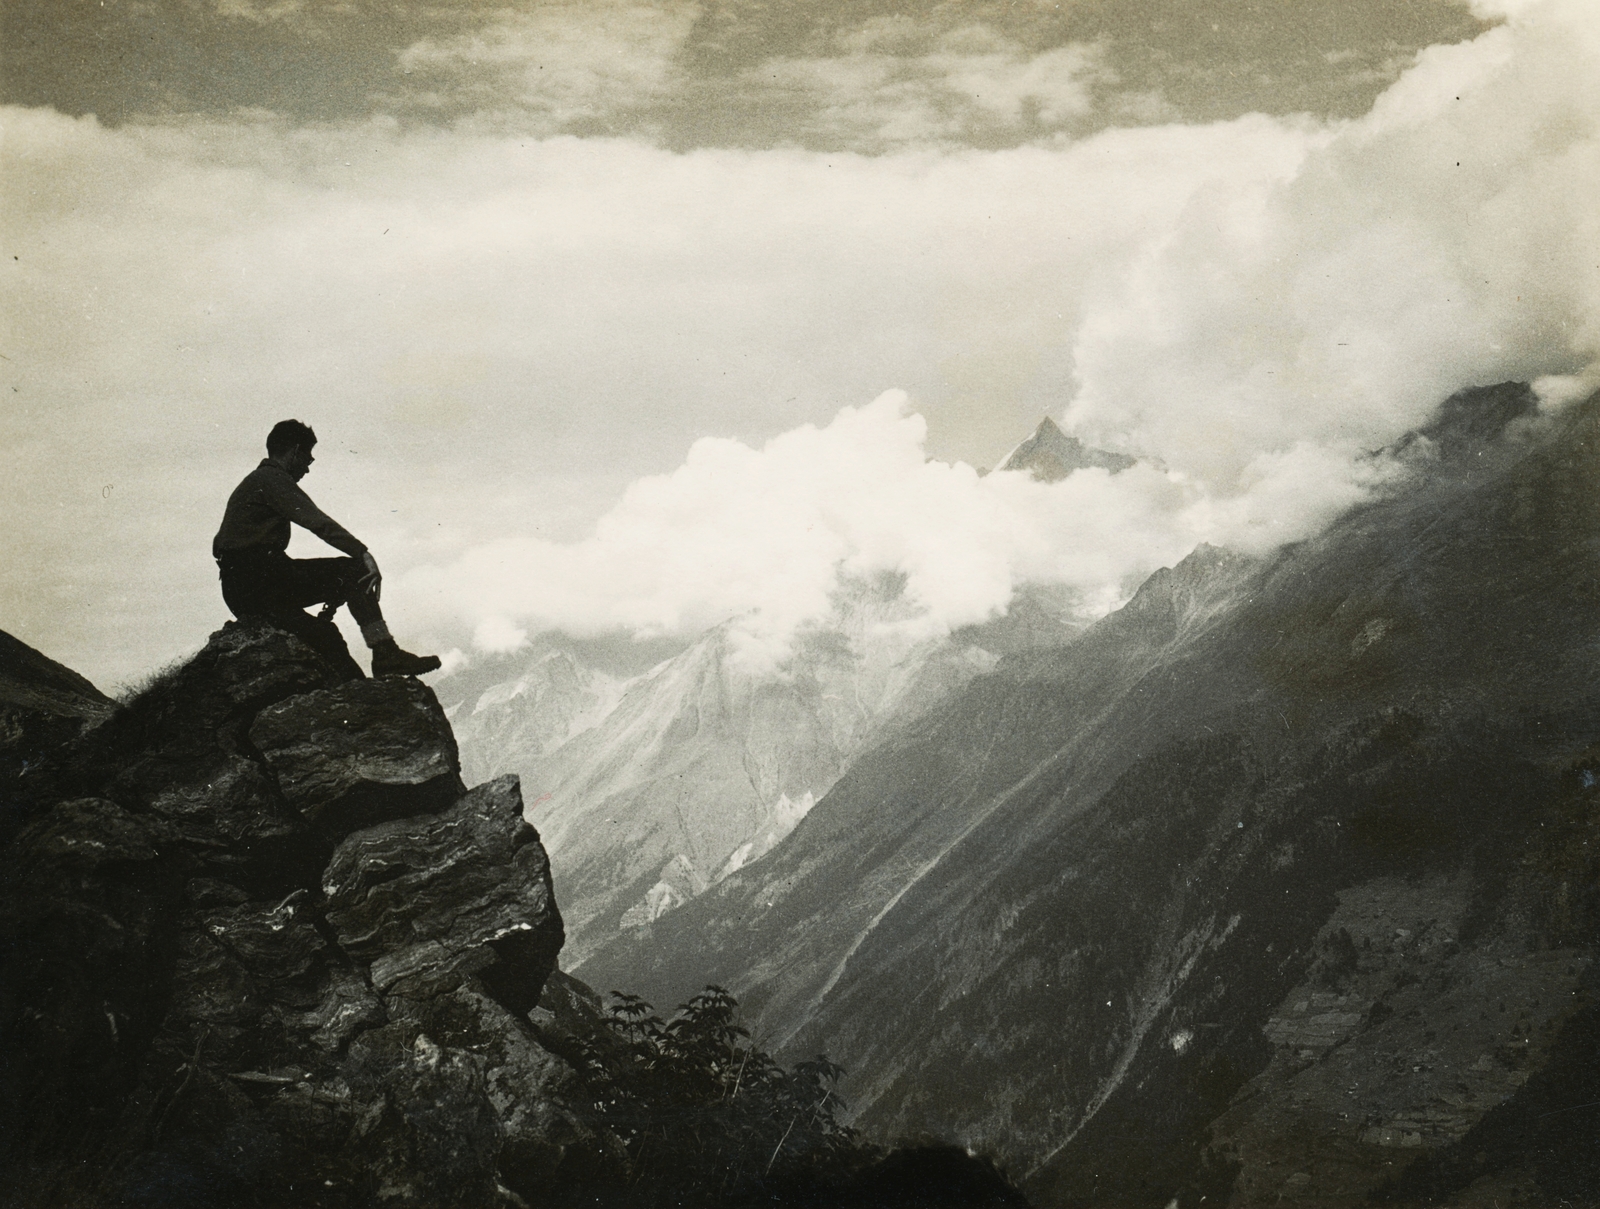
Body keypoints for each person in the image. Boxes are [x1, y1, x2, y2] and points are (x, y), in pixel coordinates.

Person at [213, 420, 441, 677]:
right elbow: (317, 522)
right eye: (308, 458)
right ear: (295, 451)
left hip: (244, 586)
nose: (307, 468)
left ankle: (359, 690)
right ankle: (385, 653)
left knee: (325, 636)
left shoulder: (256, 481)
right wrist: (362, 552)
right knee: (354, 571)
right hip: (260, 578)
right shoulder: (271, 479)